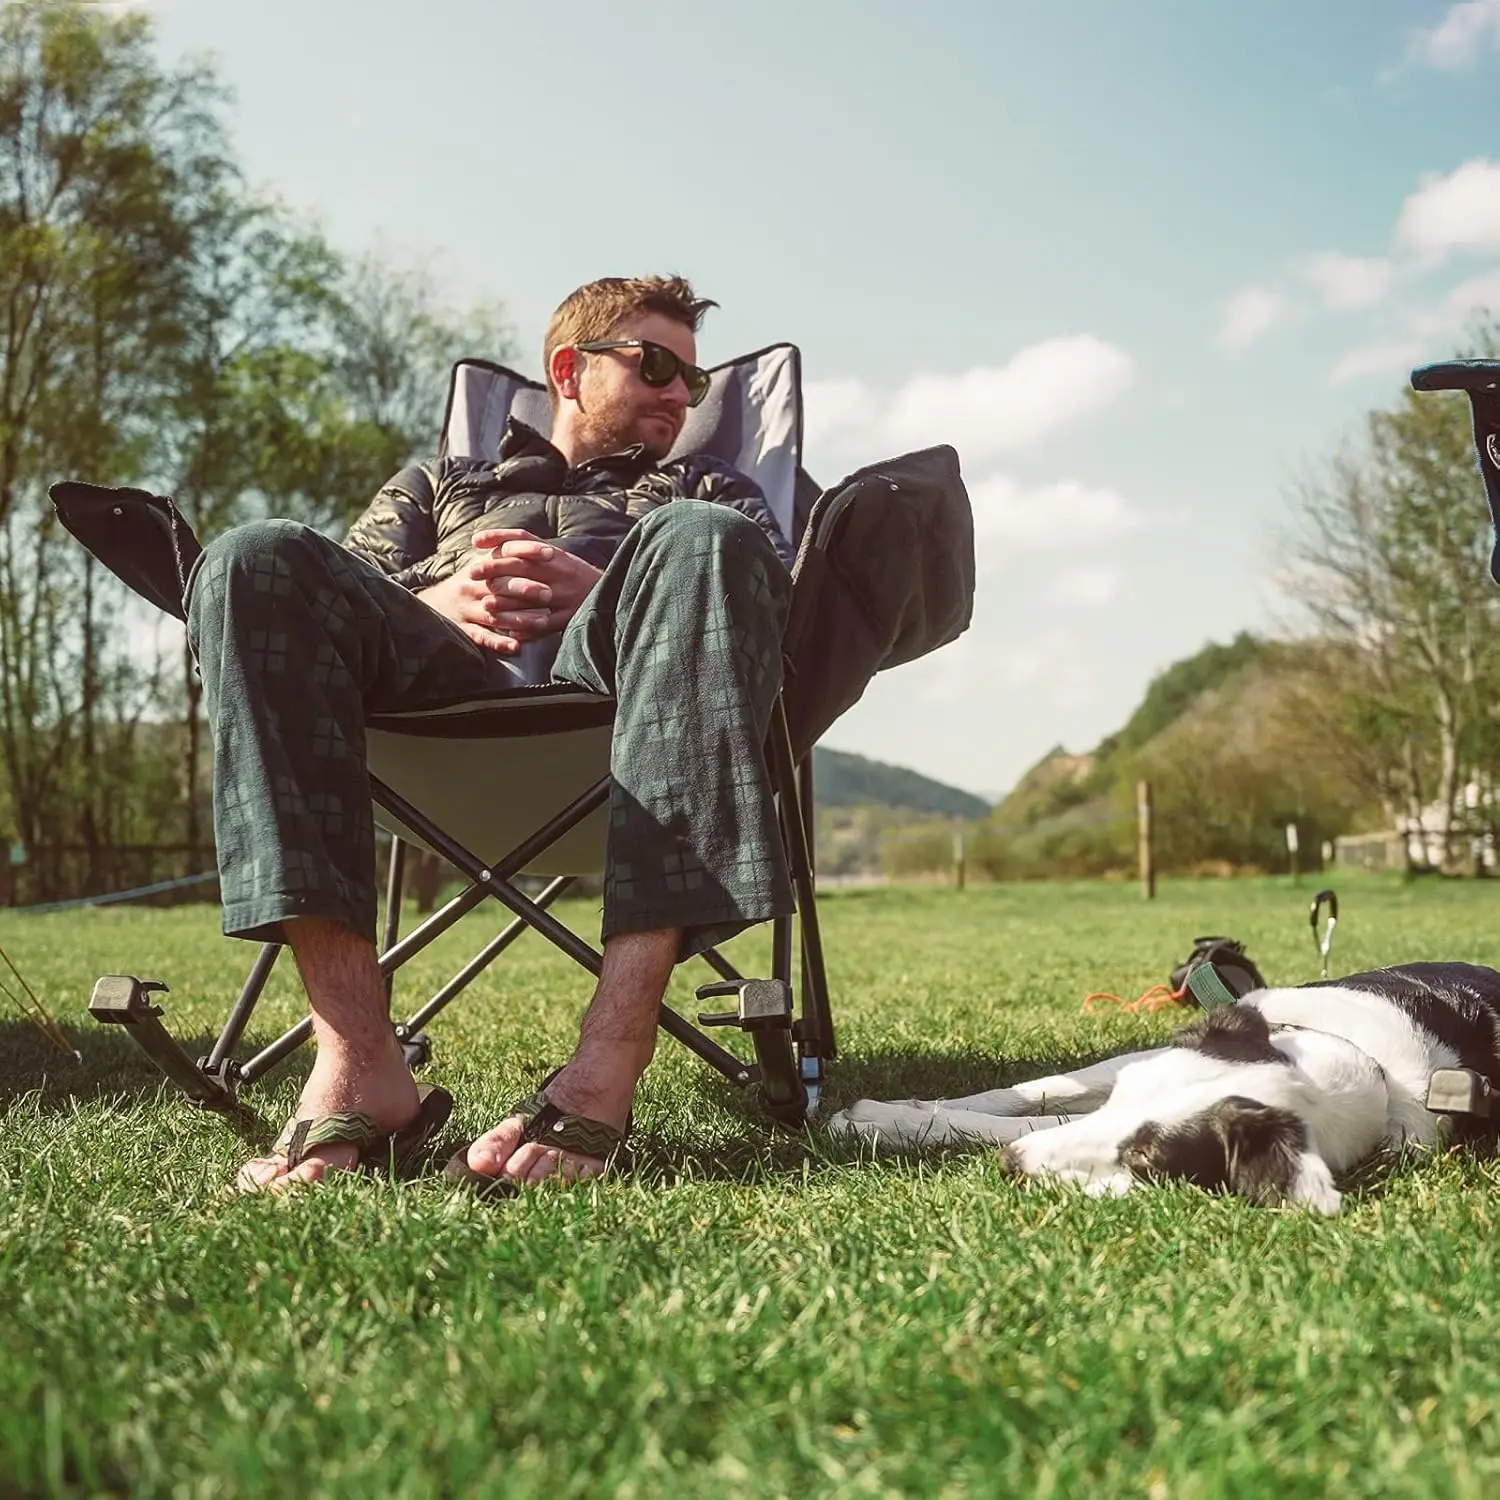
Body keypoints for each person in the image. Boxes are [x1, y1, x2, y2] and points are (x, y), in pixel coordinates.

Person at [186, 275, 799, 1194]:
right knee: (251, 558)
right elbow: (339, 601)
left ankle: (610, 1059)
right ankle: (356, 1058)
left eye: (696, 383)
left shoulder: (706, 488)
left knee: (704, 539)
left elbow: (774, 624)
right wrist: (430, 601)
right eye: (658, 365)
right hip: (426, 717)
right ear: (569, 369)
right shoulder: (437, 486)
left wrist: (604, 596)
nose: (681, 395)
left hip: (621, 716)